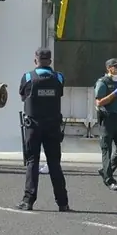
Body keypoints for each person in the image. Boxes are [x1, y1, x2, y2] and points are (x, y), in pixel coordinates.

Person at [17, 48, 70, 212]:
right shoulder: (58, 77)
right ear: (50, 61)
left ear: (35, 60)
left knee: (32, 162)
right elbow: (59, 92)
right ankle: (63, 203)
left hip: (33, 126)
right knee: (54, 163)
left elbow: (22, 95)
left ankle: (28, 201)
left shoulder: (28, 77)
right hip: (53, 126)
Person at [94, 57, 117, 191]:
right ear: (109, 68)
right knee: (106, 149)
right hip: (107, 119)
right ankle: (109, 179)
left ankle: (106, 170)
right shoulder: (103, 82)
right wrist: (113, 94)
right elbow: (99, 102)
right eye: (115, 66)